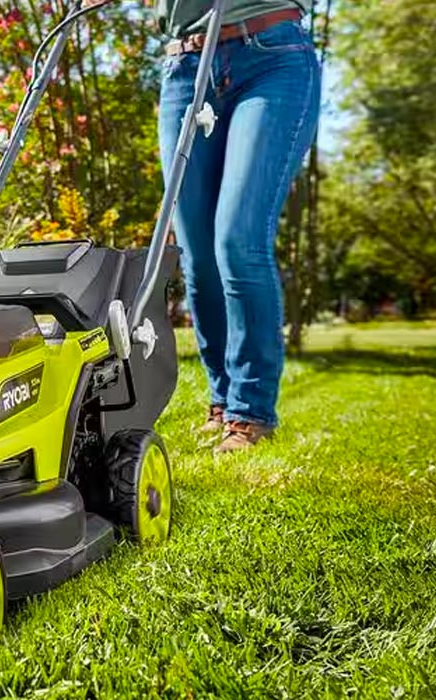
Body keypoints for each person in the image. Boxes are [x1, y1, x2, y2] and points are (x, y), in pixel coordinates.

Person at [150, 0, 321, 453]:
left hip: (272, 56)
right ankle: (223, 401)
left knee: (238, 241)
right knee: (199, 257)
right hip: (185, 67)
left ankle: (250, 411)